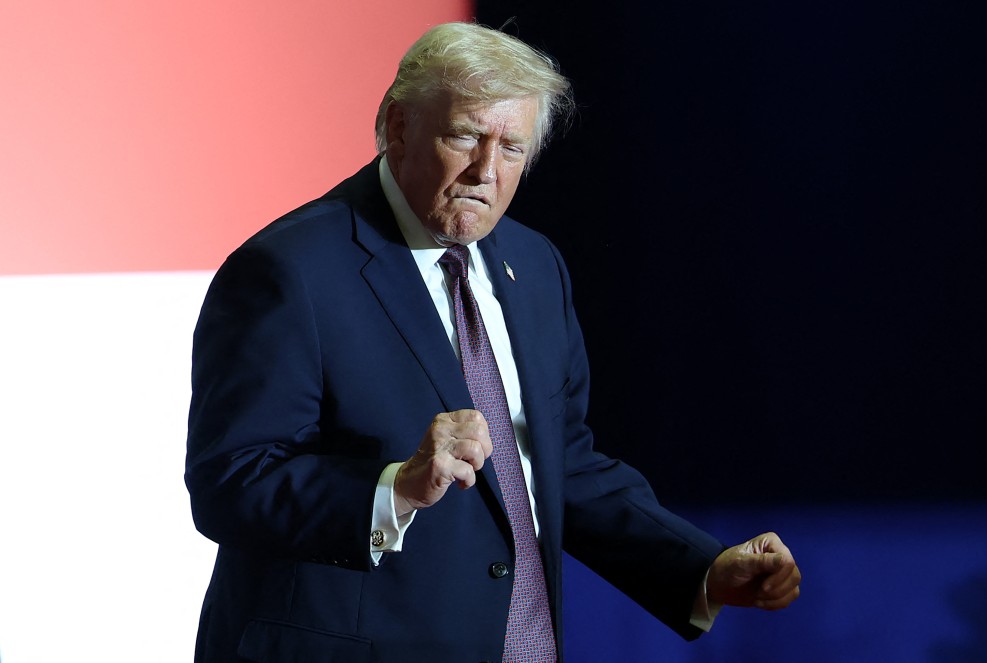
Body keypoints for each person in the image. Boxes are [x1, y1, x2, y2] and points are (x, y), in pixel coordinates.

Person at [185, 21, 801, 663]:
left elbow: (559, 463)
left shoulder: (534, 267)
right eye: (465, 136)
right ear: (398, 127)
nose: (487, 170)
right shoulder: (290, 270)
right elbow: (231, 482)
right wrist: (394, 489)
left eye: (511, 147)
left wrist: (699, 568)